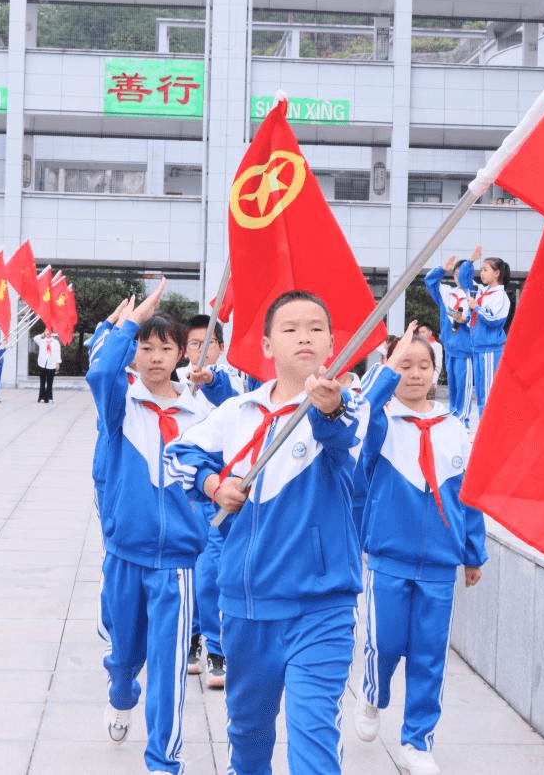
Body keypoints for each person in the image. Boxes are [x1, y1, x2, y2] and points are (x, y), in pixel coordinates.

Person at [165, 290, 371, 775]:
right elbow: (178, 452)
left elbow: (343, 441)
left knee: (314, 740)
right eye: (291, 328)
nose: (305, 336)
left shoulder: (348, 405)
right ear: (264, 344)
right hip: (246, 607)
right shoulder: (238, 414)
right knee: (248, 736)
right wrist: (214, 484)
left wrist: (328, 409)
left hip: (321, 608)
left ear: (332, 342)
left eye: (316, 328)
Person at [85, 278, 211, 775]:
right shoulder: (120, 404)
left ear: (181, 353)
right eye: (145, 346)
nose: (155, 356)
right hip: (124, 554)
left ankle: (164, 760)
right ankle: (120, 691)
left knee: (169, 667)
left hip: (177, 564)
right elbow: (99, 371)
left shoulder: (200, 412)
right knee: (124, 655)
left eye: (165, 347)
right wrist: (127, 325)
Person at [352, 326, 487, 775]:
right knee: (384, 643)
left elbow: (469, 497)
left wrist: (473, 553)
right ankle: (372, 695)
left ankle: (418, 741)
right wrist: (384, 373)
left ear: (436, 371)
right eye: (404, 366)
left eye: (422, 366)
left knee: (429, 655)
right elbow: (363, 406)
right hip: (389, 559)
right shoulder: (380, 422)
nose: (414, 374)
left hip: (440, 565)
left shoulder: (455, 430)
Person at [175, 313, 243, 688]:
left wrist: (212, 380)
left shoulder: (233, 384)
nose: (201, 352)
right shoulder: (173, 385)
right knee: (189, 570)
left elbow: (229, 399)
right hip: (181, 493)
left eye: (209, 344)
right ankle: (192, 636)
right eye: (194, 345)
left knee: (211, 571)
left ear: (221, 346)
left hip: (219, 493)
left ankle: (217, 649)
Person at [457, 245, 511, 418]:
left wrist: (477, 308)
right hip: (478, 348)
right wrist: (471, 260)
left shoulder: (500, 297)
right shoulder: (481, 291)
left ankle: (488, 435)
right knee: (481, 394)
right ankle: (483, 431)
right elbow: (463, 279)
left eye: (485, 269)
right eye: (481, 269)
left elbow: (495, 321)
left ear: (497, 273)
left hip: (490, 349)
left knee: (488, 395)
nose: (482, 273)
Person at [424, 256, 473, 426]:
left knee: (463, 384)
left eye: (462, 274)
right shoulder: (447, 292)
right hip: (450, 346)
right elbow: (429, 281)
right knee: (452, 384)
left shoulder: (474, 293)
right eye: (455, 274)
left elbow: (476, 317)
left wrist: (464, 320)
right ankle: (453, 415)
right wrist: (442, 269)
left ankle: (462, 419)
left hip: (465, 347)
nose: (458, 277)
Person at [35, 329, 62, 403]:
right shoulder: (42, 341)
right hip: (42, 363)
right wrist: (42, 334)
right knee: (42, 382)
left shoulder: (56, 343)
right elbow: (35, 338)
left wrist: (57, 363)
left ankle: (49, 398)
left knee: (50, 382)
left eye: (49, 331)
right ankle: (41, 397)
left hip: (51, 364)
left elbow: (58, 354)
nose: (48, 333)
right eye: (47, 331)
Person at [418, 325, 442, 401]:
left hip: (430, 381)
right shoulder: (418, 345)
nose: (421, 334)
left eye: (423, 332)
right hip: (418, 381)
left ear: (430, 332)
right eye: (419, 332)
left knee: (429, 404)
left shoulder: (436, 346)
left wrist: (434, 381)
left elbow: (438, 364)